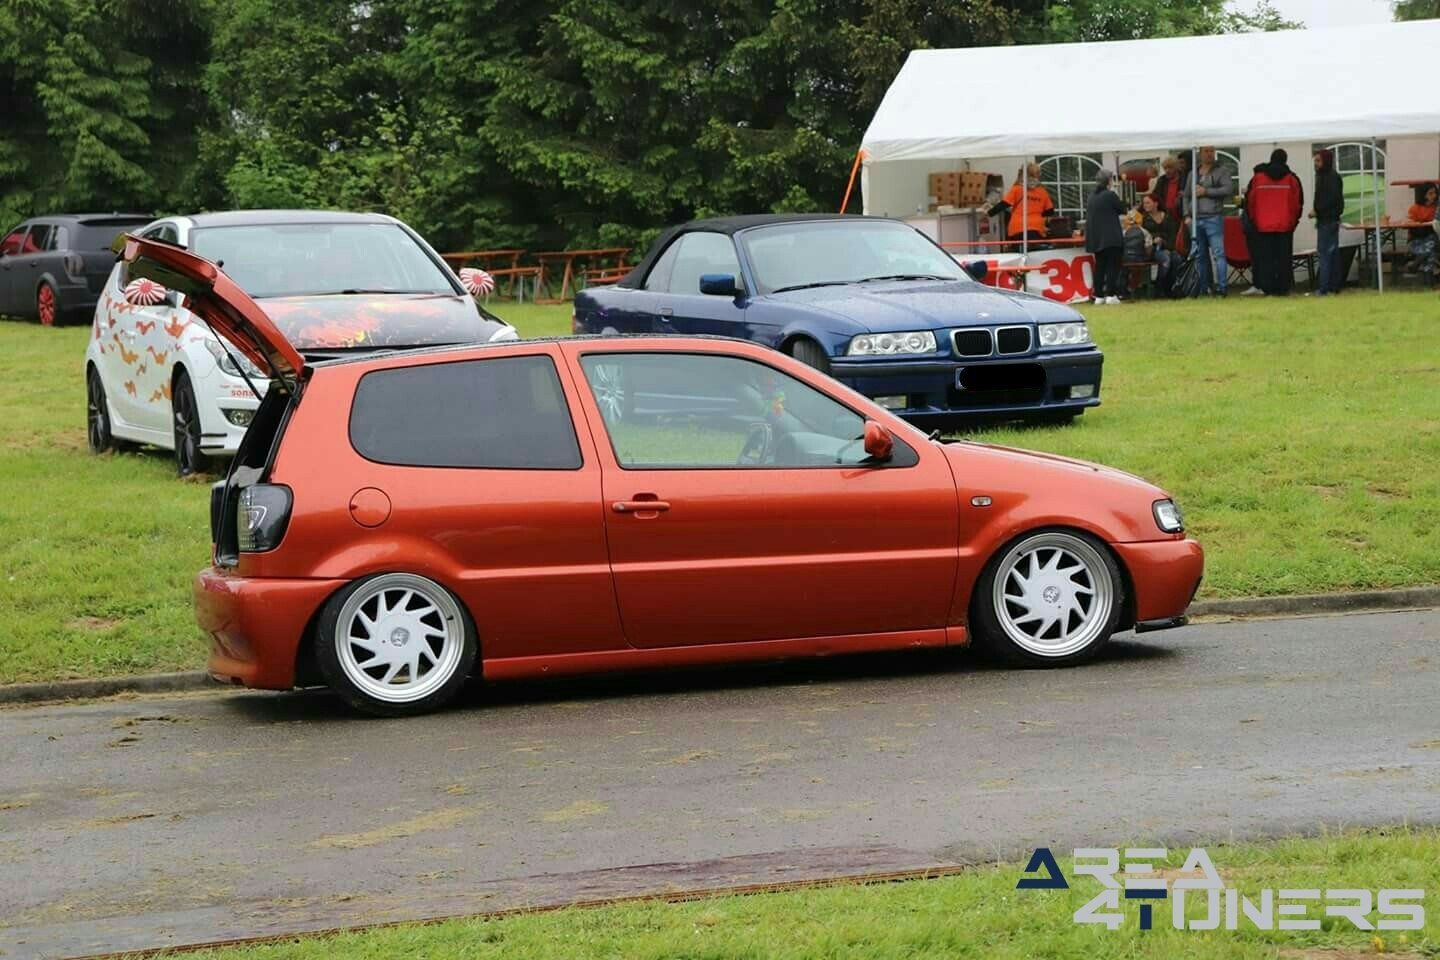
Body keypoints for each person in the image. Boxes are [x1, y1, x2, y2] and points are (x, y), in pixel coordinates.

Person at [1241, 148, 1305, 296]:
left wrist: (1255, 221)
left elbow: (1250, 203)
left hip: (1263, 226)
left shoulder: (1257, 178)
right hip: (1285, 226)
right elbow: (1297, 203)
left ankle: (1267, 288)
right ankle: (1283, 288)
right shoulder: (1291, 179)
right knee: (1283, 259)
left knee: (1266, 259)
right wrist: (1293, 222)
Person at [1183, 146, 1233, 297]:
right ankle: (1204, 288)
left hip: (1213, 217)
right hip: (1195, 219)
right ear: (1200, 153)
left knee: (1218, 253)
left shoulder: (1222, 171)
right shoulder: (1193, 173)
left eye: (1212, 151)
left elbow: (1228, 190)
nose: (1209, 154)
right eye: (1206, 151)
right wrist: (1186, 215)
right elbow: (1186, 196)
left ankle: (1222, 288)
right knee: (1200, 256)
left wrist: (1207, 191)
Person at [1085, 169, 1127, 304]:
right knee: (1112, 266)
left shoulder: (1091, 196)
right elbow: (1122, 209)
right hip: (1111, 236)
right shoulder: (1110, 195)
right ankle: (1111, 294)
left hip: (1096, 237)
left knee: (1100, 267)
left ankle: (1098, 296)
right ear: (1109, 181)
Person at [1310, 149, 1346, 295]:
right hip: (1331, 219)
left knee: (1325, 254)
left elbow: (1330, 199)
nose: (1316, 163)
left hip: (1327, 220)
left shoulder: (1328, 177)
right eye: (1315, 161)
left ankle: (1324, 287)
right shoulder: (1330, 176)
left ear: (1325, 161)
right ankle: (1334, 286)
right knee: (1333, 254)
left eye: (1318, 160)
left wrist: (1317, 210)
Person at [1001, 162, 1055, 243]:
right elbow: (1050, 212)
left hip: (1017, 228)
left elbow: (1003, 205)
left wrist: (988, 213)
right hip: (1037, 229)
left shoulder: (1016, 189)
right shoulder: (1042, 192)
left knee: (1019, 250)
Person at [1139, 193, 1180, 296]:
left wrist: (1167, 247)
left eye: (1148, 203)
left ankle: (1170, 286)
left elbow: (1173, 235)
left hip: (1167, 247)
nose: (1145, 205)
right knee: (1165, 259)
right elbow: (1141, 236)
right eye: (1144, 203)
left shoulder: (1167, 216)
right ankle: (1159, 285)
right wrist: (1153, 240)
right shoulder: (1143, 218)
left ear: (1156, 204)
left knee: (1177, 258)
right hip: (1150, 249)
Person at [1407, 183, 1438, 282]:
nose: (1434, 196)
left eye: (1435, 193)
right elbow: (1408, 223)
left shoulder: (1436, 208)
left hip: (1431, 238)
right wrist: (1418, 223)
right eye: (1430, 193)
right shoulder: (1414, 208)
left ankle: (1415, 264)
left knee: (1432, 243)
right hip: (1416, 240)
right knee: (1431, 252)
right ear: (1423, 195)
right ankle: (1429, 283)